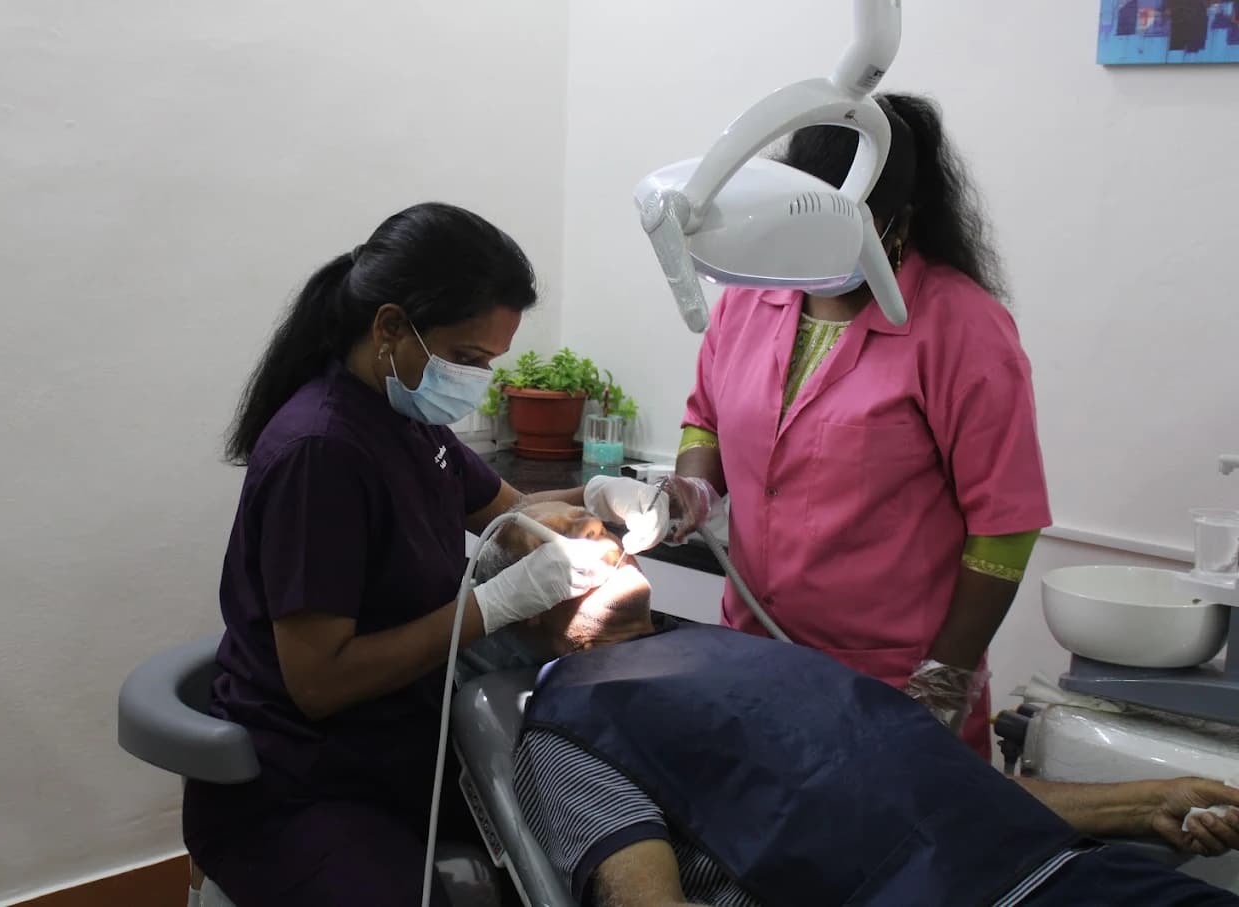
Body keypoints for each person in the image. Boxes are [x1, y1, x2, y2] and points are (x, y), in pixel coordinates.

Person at [474, 502, 1239, 907]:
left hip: (1070, 875)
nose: (599, 533)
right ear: (525, 598)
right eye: (565, 535)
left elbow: (933, 786)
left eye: (595, 521)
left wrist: (1142, 803)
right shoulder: (571, 728)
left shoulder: (734, 650)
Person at [586, 93, 1052, 757]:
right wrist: (692, 489)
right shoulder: (750, 295)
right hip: (752, 653)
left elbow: (1005, 521)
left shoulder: (962, 326)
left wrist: (944, 676)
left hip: (893, 678)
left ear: (898, 221)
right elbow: (706, 421)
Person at [181, 202, 619, 906]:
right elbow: (318, 681)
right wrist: (495, 603)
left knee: (583, 830)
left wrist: (606, 501)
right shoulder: (320, 452)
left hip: (403, 743)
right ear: (391, 327)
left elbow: (516, 512)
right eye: (470, 359)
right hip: (296, 785)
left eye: (492, 363)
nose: (478, 379)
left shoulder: (414, 423)